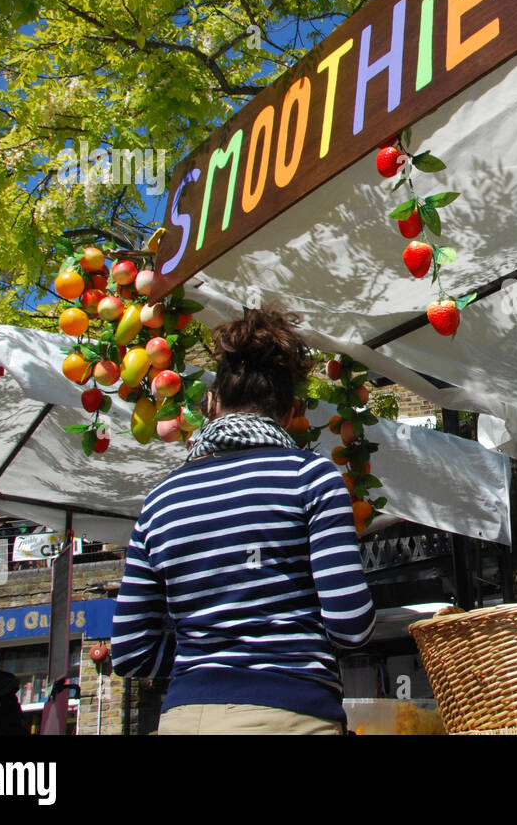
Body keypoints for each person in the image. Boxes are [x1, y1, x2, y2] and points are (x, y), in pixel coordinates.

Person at [111, 307, 376, 734]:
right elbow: (351, 624)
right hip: (290, 712)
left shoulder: (160, 500)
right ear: (290, 412)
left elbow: (129, 652)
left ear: (213, 403)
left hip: (181, 718)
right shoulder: (309, 476)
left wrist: (206, 657)